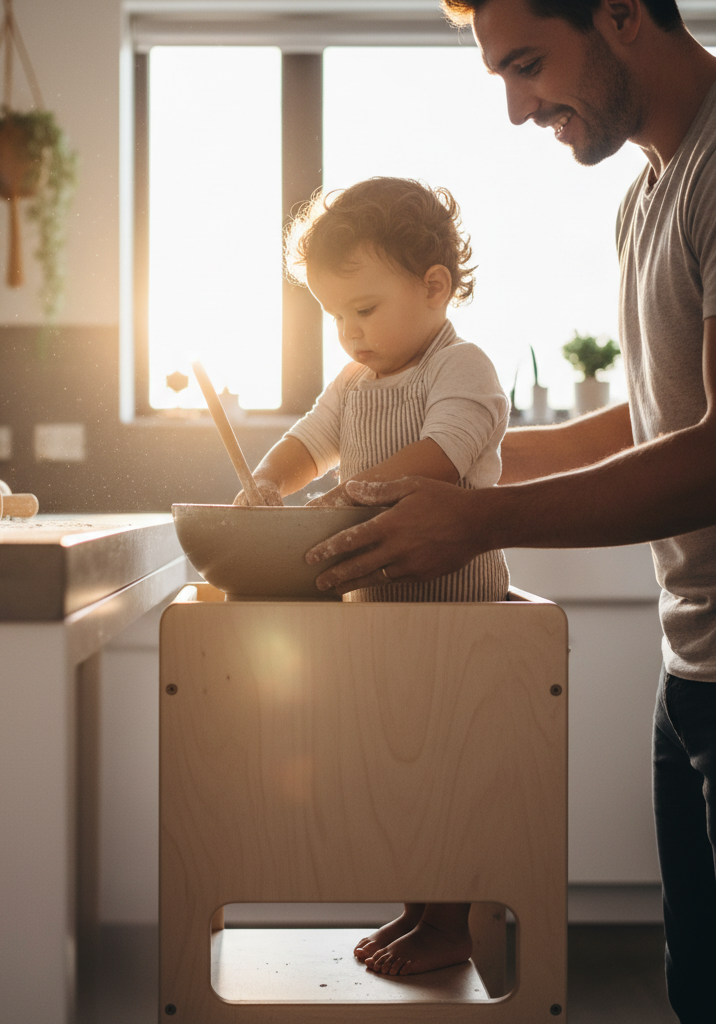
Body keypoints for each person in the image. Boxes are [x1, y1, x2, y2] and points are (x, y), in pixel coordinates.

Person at [303, 1, 716, 1019]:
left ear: (621, 15)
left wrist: (482, 516)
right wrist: (458, 463)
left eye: (528, 65)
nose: (516, 107)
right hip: (694, 661)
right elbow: (659, 413)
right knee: (699, 985)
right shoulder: (650, 194)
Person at [234, 175, 510, 975]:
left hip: (455, 620)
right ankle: (420, 908)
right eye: (332, 316)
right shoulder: (356, 380)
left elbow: (446, 452)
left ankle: (453, 923)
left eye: (363, 310)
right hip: (382, 613)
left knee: (447, 772)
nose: (348, 334)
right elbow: (310, 438)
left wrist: (339, 495)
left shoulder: (463, 368)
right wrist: (267, 483)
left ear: (434, 288)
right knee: (401, 772)